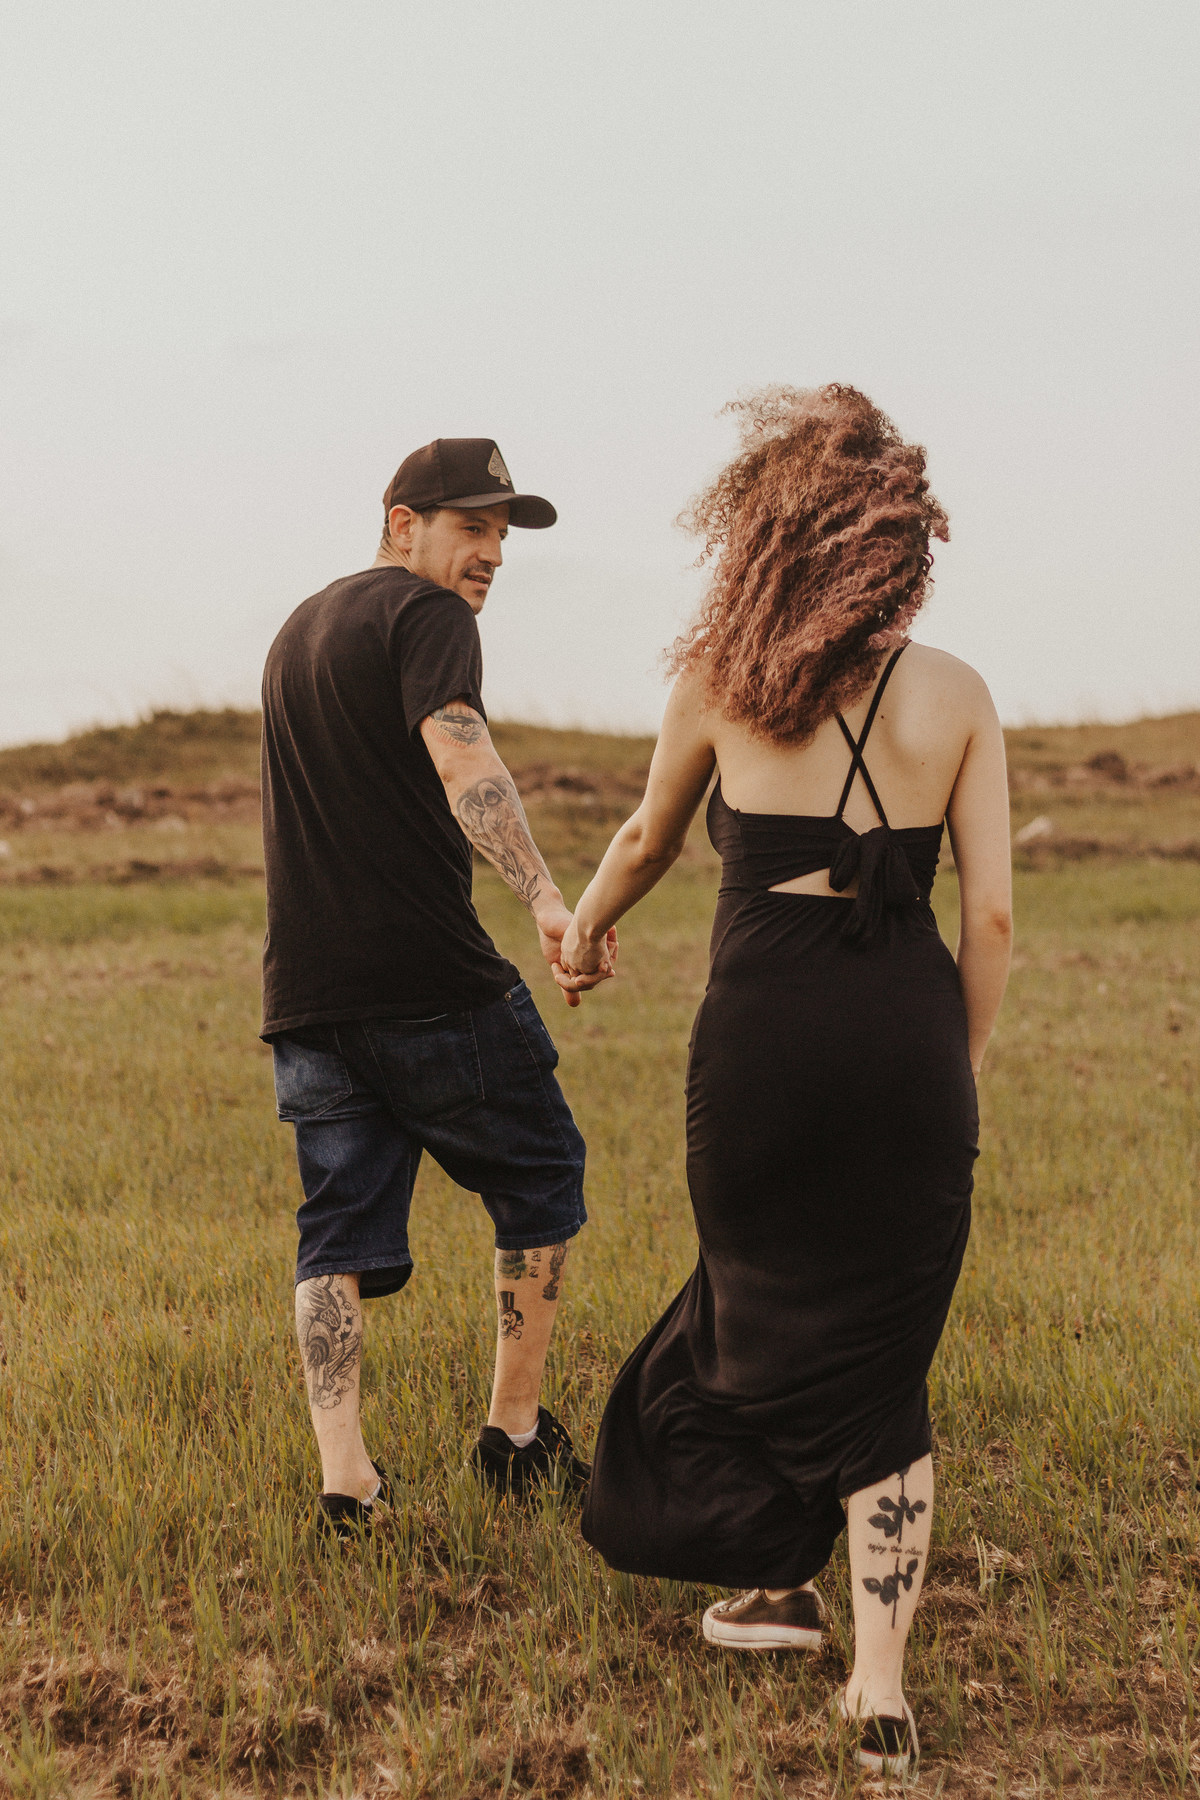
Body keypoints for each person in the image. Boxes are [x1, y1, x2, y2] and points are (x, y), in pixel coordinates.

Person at [556, 387, 1012, 1775]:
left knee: (754, 1305)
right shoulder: (958, 693)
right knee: (881, 1351)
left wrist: (583, 929)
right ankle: (877, 1685)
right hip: (904, 1042)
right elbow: (991, 918)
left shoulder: (720, 679)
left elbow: (646, 836)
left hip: (758, 1047)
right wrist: (952, 1068)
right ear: (900, 538)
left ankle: (772, 1578)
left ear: (765, 533)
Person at [260, 437, 612, 1540]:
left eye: (502, 533)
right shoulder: (428, 616)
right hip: (430, 983)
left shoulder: (297, 631)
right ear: (402, 522)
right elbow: (465, 760)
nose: (492, 552)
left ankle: (347, 1484)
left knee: (336, 1233)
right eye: (472, 527)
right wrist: (549, 903)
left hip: (308, 995)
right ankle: (515, 1437)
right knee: (543, 1172)